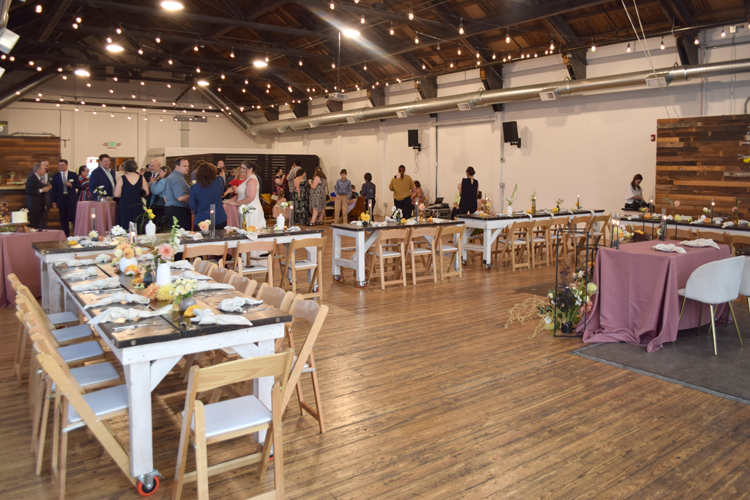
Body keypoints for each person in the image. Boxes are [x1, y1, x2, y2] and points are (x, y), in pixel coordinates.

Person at [224, 161, 265, 229]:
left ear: (250, 169)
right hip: (245, 210)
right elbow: (241, 195)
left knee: (250, 230)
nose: (241, 170)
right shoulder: (248, 179)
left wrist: (235, 203)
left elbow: (250, 198)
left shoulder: (251, 180)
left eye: (244, 168)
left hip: (251, 211)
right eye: (241, 168)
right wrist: (228, 201)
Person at [190, 162, 227, 232]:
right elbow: (222, 192)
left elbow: (193, 206)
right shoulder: (219, 181)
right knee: (220, 238)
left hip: (201, 219)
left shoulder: (194, 187)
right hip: (219, 217)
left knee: (202, 239)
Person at [114, 159, 149, 232]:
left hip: (125, 204)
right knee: (137, 223)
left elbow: (117, 194)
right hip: (137, 203)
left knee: (125, 224)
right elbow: (147, 192)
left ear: (125, 168)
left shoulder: (122, 178)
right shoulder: (141, 178)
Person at [50, 159, 80, 237]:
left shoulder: (73, 174)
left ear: (66, 165)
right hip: (61, 199)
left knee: (74, 216)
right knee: (63, 218)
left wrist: (72, 185)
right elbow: (54, 190)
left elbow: (79, 185)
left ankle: (76, 234)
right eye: (59, 165)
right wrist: (54, 201)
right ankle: (66, 235)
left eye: (62, 165)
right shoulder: (56, 176)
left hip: (71, 199)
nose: (61, 167)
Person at [164, 157, 192, 230]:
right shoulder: (177, 178)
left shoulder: (170, 177)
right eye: (184, 166)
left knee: (175, 233)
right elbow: (180, 197)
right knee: (182, 234)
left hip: (171, 208)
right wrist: (194, 197)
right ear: (176, 166)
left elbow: (164, 196)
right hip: (179, 210)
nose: (187, 168)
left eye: (188, 166)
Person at [25, 163, 51, 229]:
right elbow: (28, 191)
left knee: (37, 224)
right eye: (43, 169)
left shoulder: (39, 179)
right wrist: (41, 190)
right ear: (38, 170)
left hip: (39, 206)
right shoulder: (32, 178)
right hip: (34, 206)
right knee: (33, 224)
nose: (45, 170)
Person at [39, 160, 51, 229]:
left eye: (47, 165)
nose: (46, 167)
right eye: (44, 165)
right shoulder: (36, 175)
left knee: (45, 217)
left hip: (47, 199)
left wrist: (51, 187)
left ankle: (44, 230)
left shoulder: (51, 175)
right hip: (38, 199)